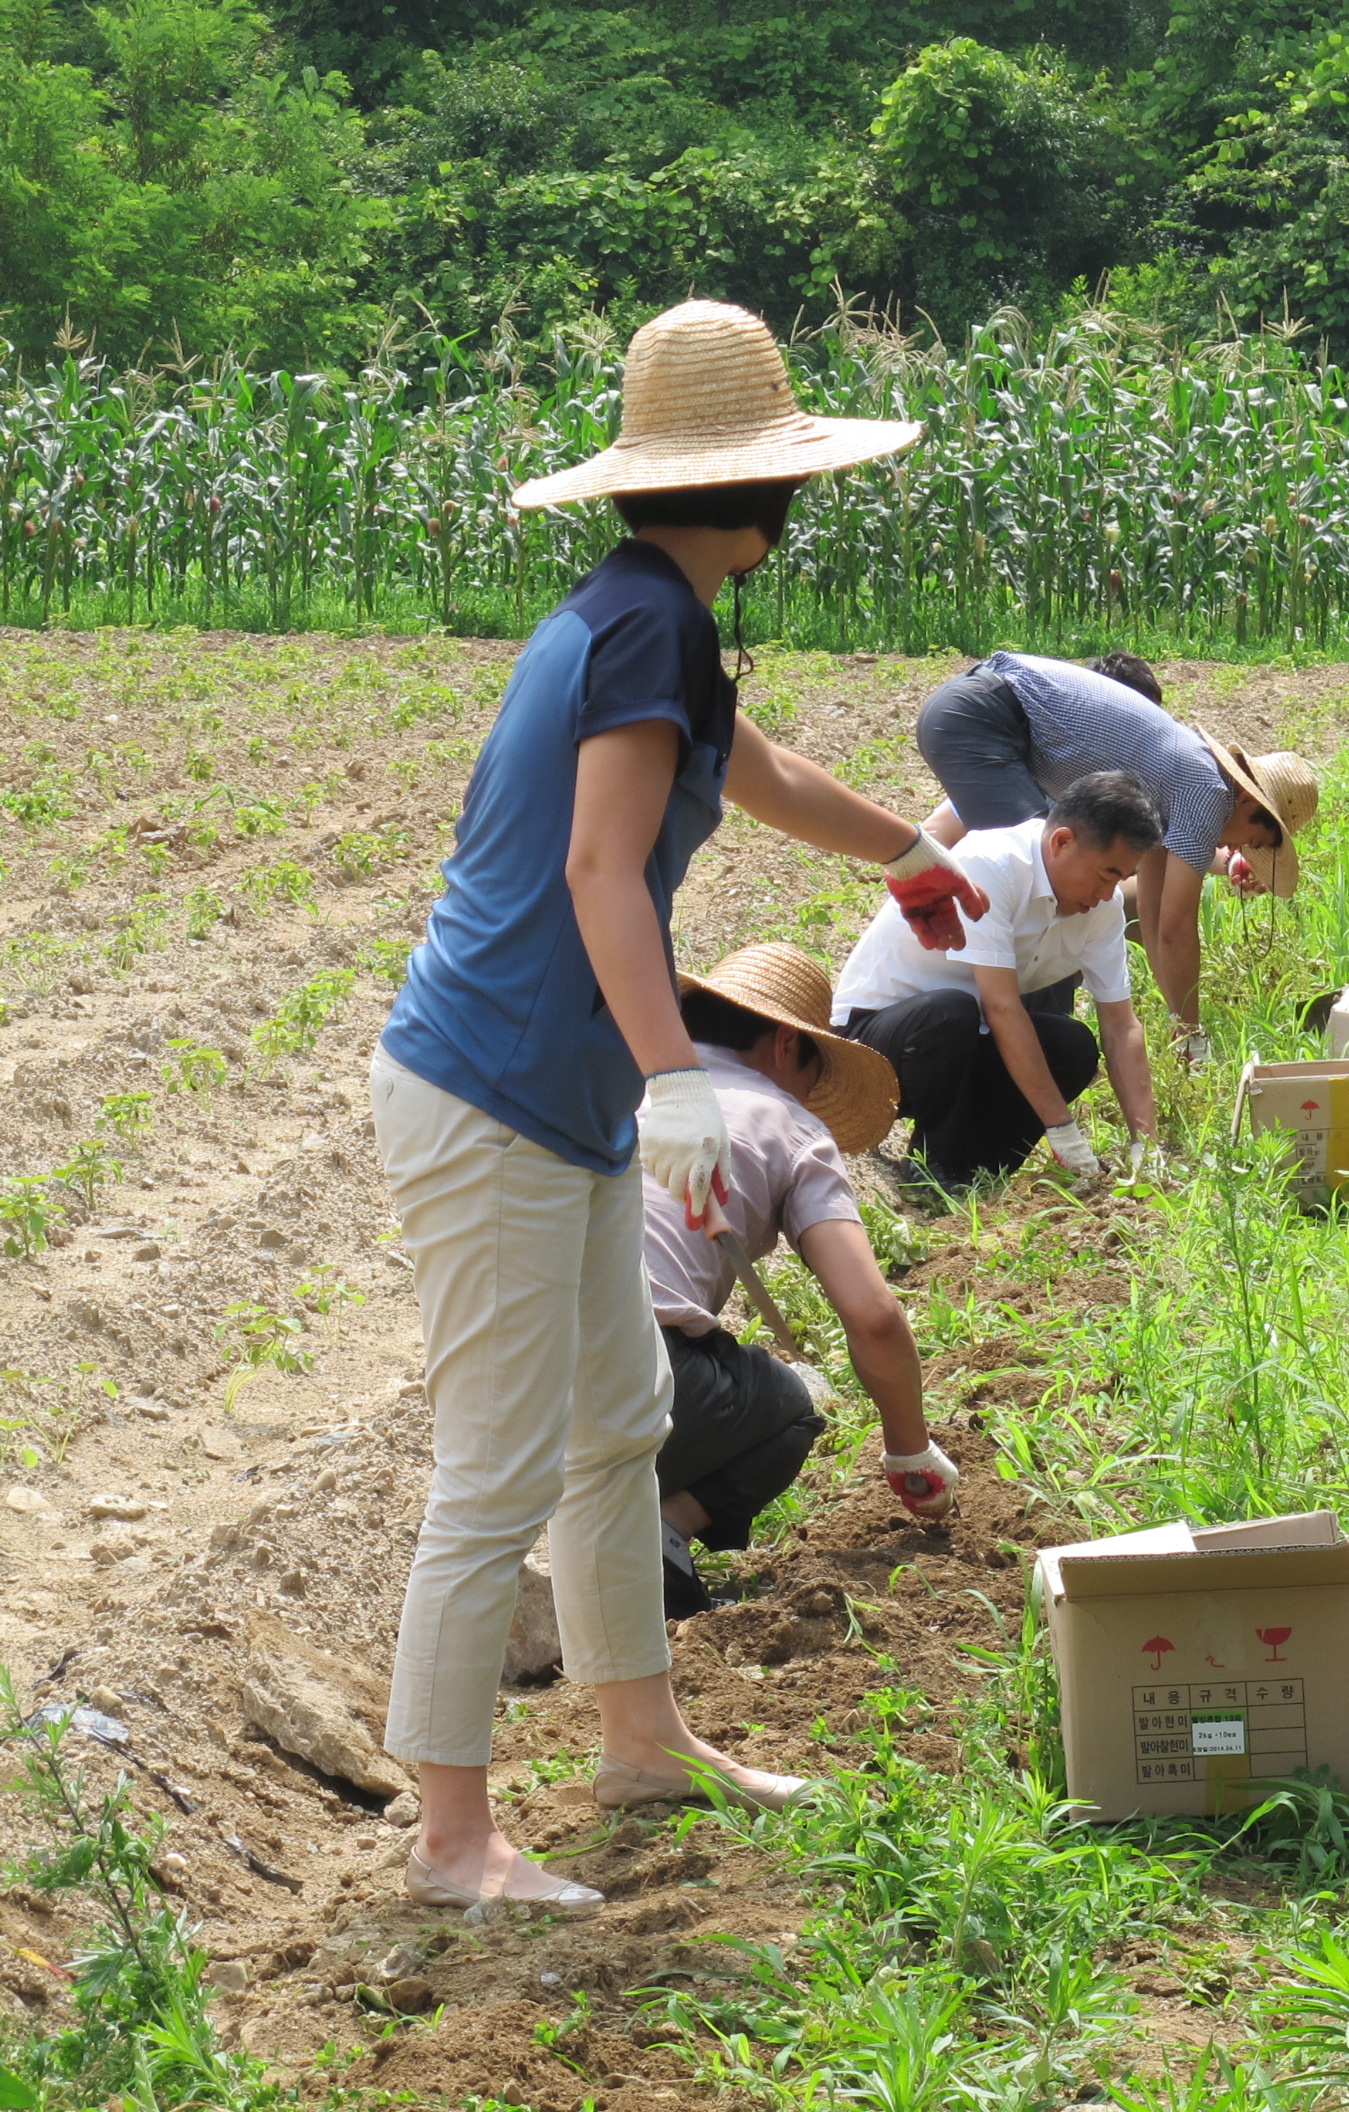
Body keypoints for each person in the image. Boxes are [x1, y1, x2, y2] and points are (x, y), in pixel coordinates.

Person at [368, 298, 988, 1915]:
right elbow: (595, 870)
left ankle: (640, 1737)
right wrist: (672, 1078)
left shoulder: (652, 618)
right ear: (763, 493)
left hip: (552, 1101)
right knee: (499, 1463)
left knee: (618, 1420)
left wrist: (910, 859)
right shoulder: (645, 628)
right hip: (495, 1087)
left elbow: (762, 775)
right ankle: (452, 1839)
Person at [641, 945, 960, 1619]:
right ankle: (658, 1532)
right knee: (791, 1402)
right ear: (787, 1045)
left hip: (502, 1370)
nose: (809, 1098)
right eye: (814, 1077)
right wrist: (909, 1450)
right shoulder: (787, 1123)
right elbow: (872, 1315)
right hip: (633, 1369)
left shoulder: (630, 1084)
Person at [912, 649, 1317, 1066]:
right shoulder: (1209, 793)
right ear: (1250, 801)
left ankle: (1029, 1045)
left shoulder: (1181, 787)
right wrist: (1194, 1037)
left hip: (971, 712)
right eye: (1256, 839)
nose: (1238, 849)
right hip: (979, 718)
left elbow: (1153, 916)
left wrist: (1181, 1026)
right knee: (1051, 885)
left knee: (1053, 890)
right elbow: (1177, 930)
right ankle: (1033, 1053)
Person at [836, 771, 1165, 1190]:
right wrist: (1062, 1129)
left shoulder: (1102, 907)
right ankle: (933, 1166)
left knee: (1072, 1047)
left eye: (1119, 880)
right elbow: (1002, 1007)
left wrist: (1146, 1144)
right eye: (1105, 875)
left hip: (964, 1043)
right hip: (875, 1047)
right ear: (1061, 842)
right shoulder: (993, 864)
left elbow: (1121, 1025)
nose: (1107, 893)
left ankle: (969, 1173)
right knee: (951, 1011)